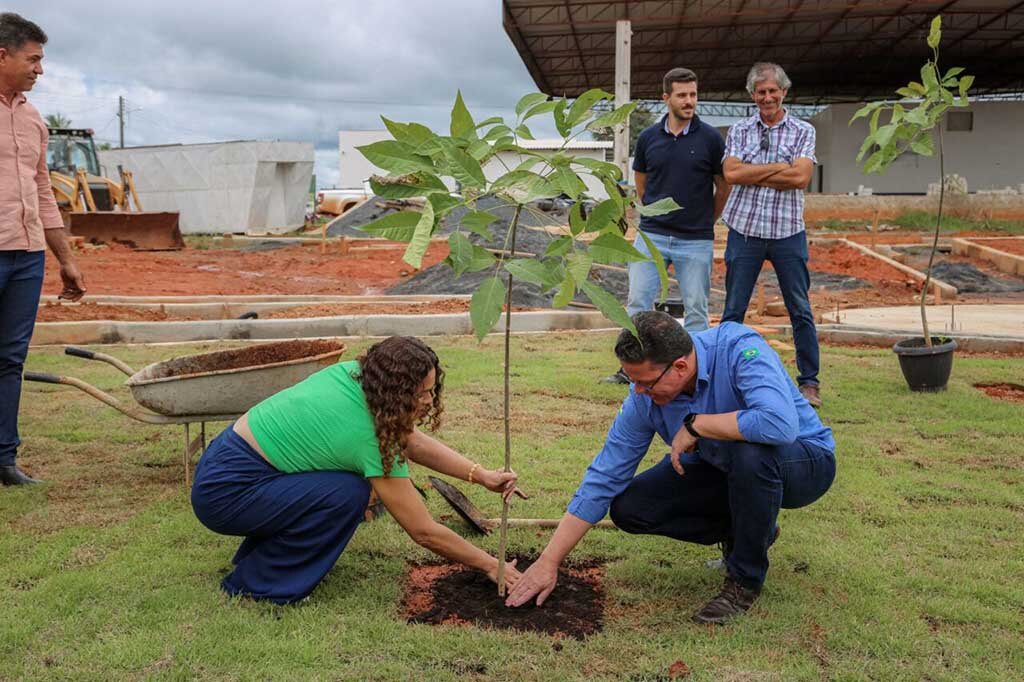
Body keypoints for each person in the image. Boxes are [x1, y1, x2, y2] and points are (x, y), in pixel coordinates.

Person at [507, 311, 835, 624]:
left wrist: (698, 425)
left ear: (679, 366)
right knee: (630, 507)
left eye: (646, 383)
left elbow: (778, 425)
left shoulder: (739, 348)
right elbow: (606, 474)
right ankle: (751, 528)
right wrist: (549, 561)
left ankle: (744, 580)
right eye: (631, 380)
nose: (638, 391)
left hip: (802, 462)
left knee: (752, 454)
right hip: (723, 468)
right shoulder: (643, 398)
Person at [191, 336, 522, 604]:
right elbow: (423, 531)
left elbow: (412, 441)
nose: (428, 400)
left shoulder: (354, 376)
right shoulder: (365, 436)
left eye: (431, 390)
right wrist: (492, 565)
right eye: (422, 393)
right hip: (226, 493)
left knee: (340, 487)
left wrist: (481, 475)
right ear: (395, 392)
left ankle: (265, 559)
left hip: (228, 464)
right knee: (347, 494)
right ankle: (259, 586)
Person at [0, 13, 86, 486]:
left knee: (11, 359)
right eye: (33, 59)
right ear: (3, 55)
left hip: (27, 255)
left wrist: (66, 259)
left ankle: (4, 459)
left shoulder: (33, 119)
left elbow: (42, 190)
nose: (40, 69)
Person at [604, 67, 729, 384]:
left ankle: (695, 374)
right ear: (666, 98)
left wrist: (705, 221)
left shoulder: (711, 139)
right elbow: (642, 183)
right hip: (652, 236)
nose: (690, 101)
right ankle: (630, 368)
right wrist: (653, 215)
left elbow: (723, 186)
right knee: (638, 302)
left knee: (697, 308)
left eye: (694, 95)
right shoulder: (648, 139)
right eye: (682, 95)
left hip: (695, 240)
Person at [720, 62, 822, 408]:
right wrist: (780, 167)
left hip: (787, 231)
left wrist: (754, 172)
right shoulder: (739, 130)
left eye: (772, 91)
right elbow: (731, 173)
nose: (767, 97)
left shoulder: (803, 130)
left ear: (784, 92)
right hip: (744, 229)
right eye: (760, 92)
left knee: (800, 309)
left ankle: (809, 382)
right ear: (752, 95)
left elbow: (800, 178)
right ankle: (722, 378)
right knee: (733, 310)